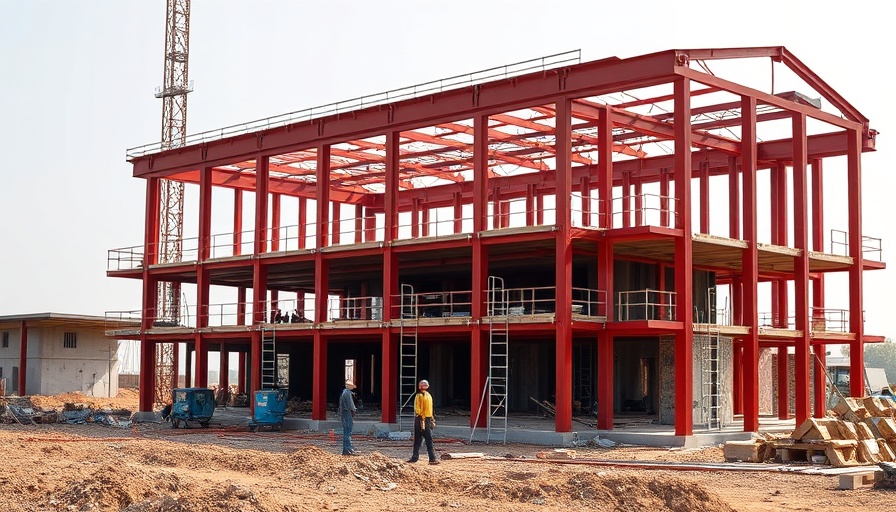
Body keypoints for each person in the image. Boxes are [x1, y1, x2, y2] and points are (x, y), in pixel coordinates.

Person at [407, 379, 439, 464]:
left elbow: (430, 407)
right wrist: (421, 418)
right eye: (422, 385)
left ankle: (416, 457)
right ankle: (431, 458)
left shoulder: (428, 395)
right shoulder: (419, 395)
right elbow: (417, 408)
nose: (424, 386)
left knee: (423, 439)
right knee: (425, 438)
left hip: (427, 418)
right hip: (421, 418)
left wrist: (432, 418)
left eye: (425, 385)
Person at [339, 379, 358, 455]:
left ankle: (346, 449)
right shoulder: (347, 393)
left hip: (344, 413)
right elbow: (351, 405)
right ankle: (348, 449)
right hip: (347, 413)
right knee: (348, 431)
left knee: (346, 431)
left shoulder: (344, 393)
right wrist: (354, 410)